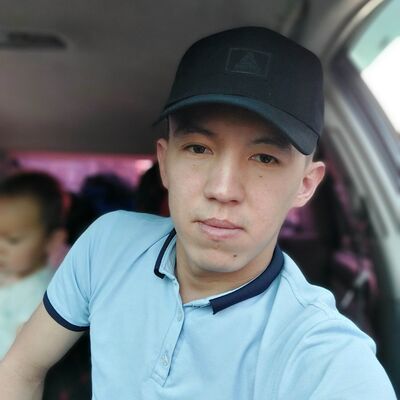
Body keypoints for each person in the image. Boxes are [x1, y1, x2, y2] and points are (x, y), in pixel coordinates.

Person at [0, 27, 396, 399]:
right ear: (164, 163)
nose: (222, 189)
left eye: (264, 158)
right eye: (198, 148)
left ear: (306, 185)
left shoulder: (324, 355)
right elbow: (20, 367)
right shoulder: (107, 245)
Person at [0, 171, 66, 359]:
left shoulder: (42, 298)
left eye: (13, 240)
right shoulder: (8, 273)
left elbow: (20, 358)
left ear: (51, 241)